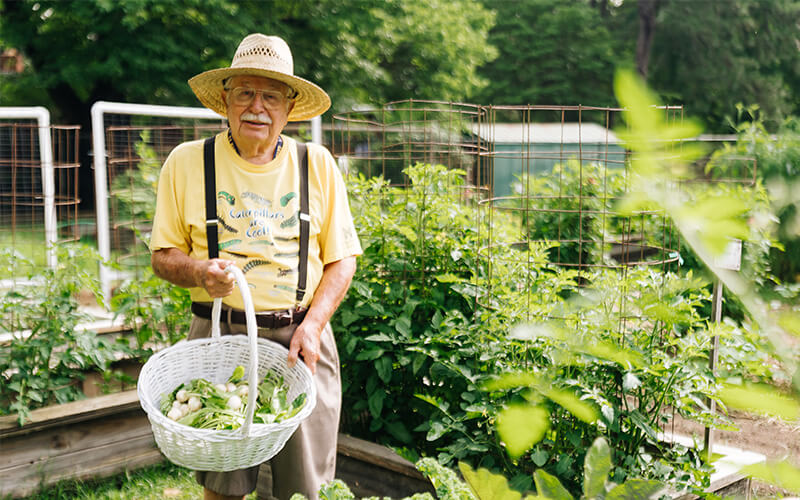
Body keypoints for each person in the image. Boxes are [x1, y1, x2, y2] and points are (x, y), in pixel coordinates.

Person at [149, 33, 362, 500]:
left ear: (290, 107)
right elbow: (163, 257)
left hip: (300, 340)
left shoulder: (317, 165)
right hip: (220, 338)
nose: (256, 107)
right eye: (245, 92)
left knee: (305, 490)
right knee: (224, 485)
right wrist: (200, 272)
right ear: (225, 100)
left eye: (271, 95)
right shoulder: (186, 163)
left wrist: (316, 325)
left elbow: (342, 260)